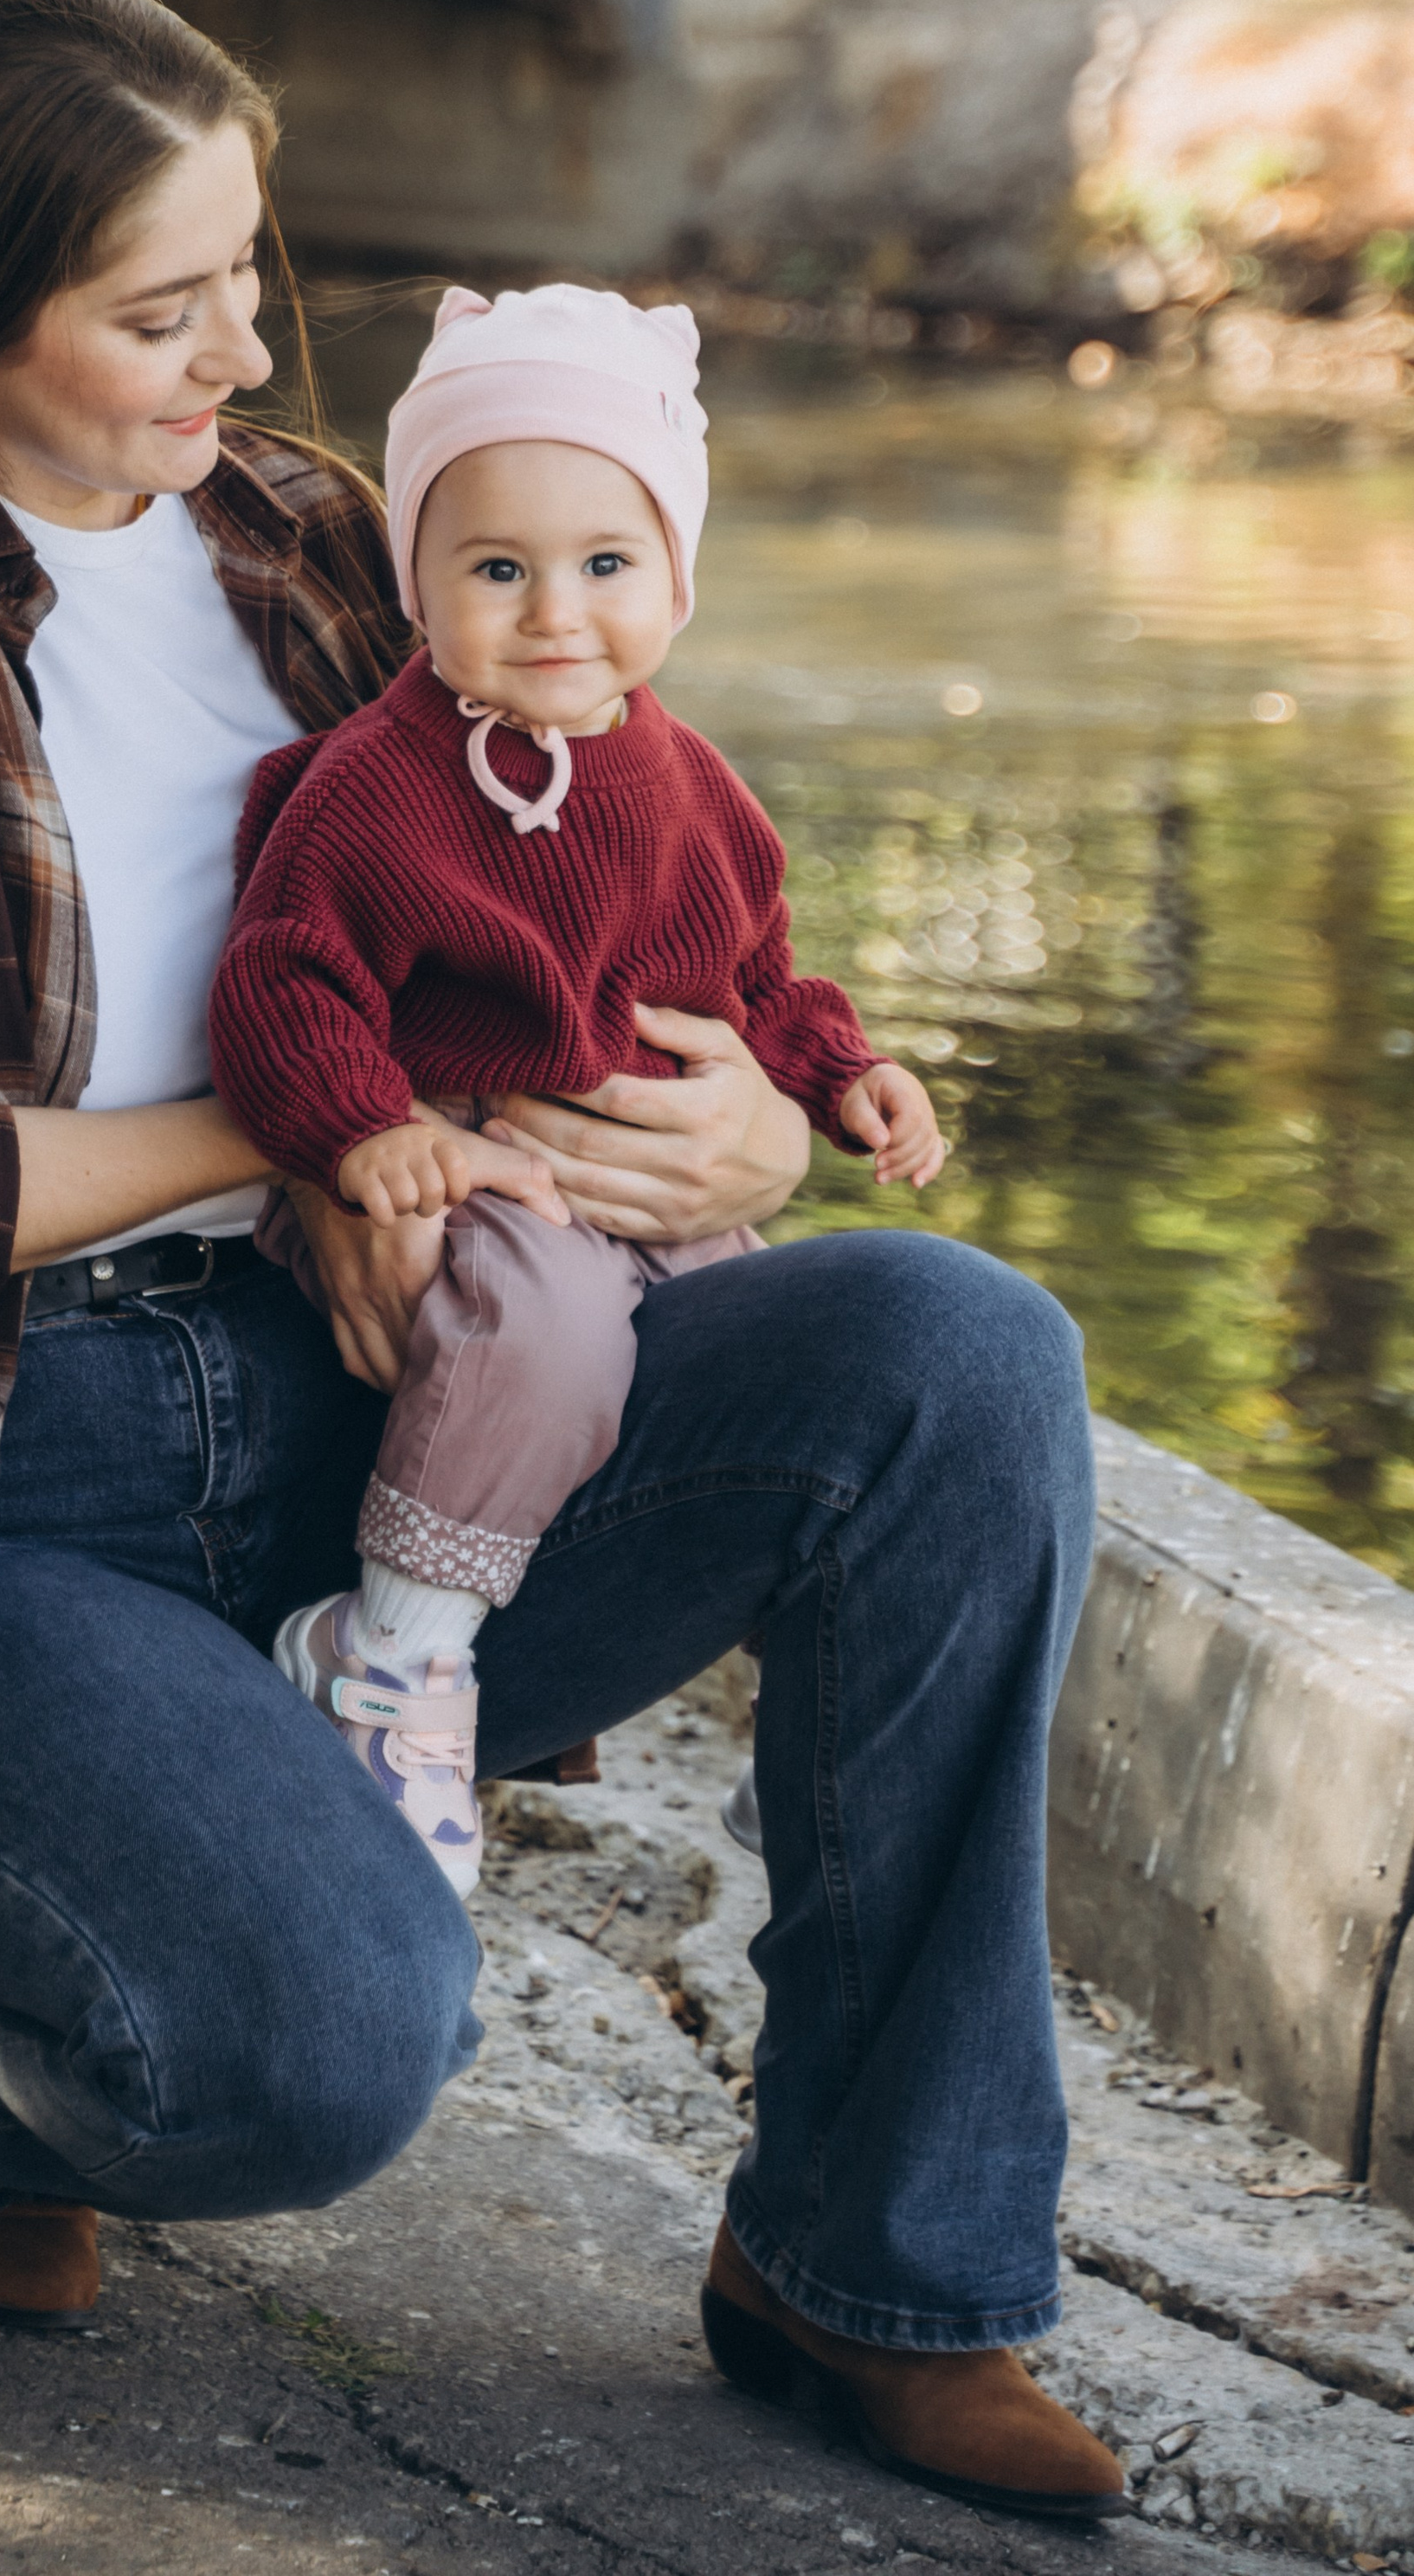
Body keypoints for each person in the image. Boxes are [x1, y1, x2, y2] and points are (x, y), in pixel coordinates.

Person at [0, 0, 1124, 2526]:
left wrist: (751, 1138)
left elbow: (611, 914)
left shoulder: (312, 541)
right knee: (321, 2051)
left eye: (256, 273)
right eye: (163, 308)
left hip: (384, 1424)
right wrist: (279, 1134)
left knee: (960, 1359)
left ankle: (873, 2264)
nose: (244, 351)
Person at [209, 282, 946, 1894]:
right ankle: (388, 1649)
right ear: (418, 580)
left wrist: (850, 1077)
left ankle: (820, 1719)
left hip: (640, 1182)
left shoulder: (693, 788)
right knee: (538, 1336)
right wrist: (364, 1134)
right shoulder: (379, 786)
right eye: (496, 568)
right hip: (478, 1174)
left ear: (676, 578)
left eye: (607, 565)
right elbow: (282, 979)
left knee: (794, 1375)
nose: (556, 611)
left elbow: (761, 978)